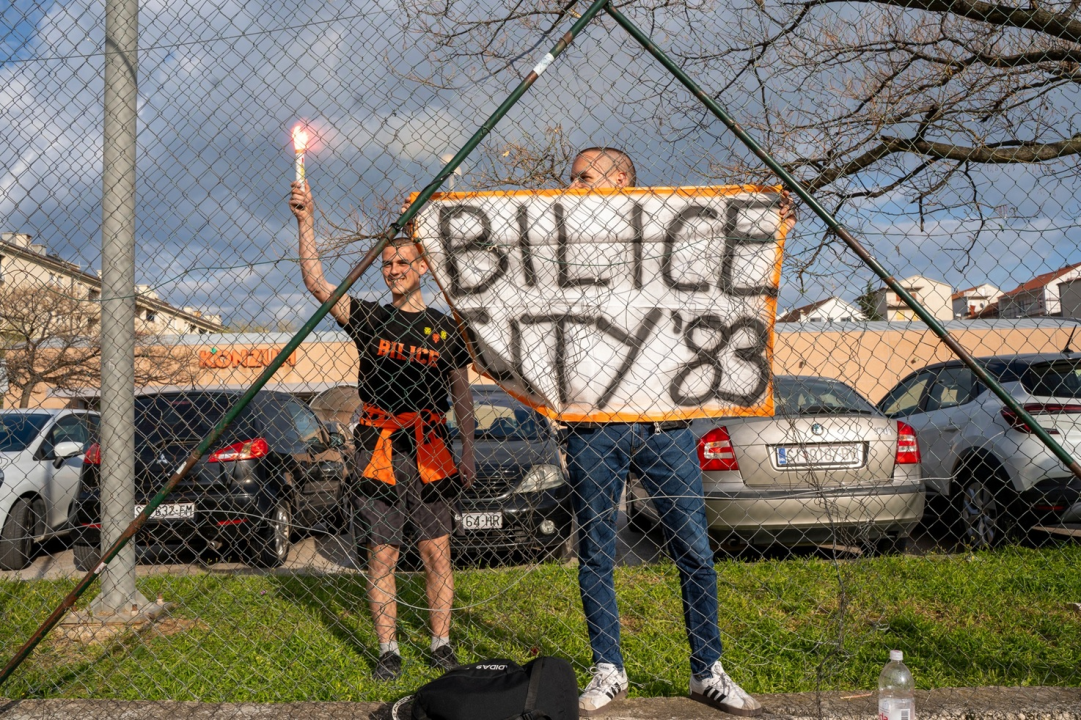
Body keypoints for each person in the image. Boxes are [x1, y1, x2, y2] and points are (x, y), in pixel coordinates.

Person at [563, 148, 789, 717]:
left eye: (584, 177)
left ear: (622, 180)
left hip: (667, 428)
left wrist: (767, 226)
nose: (573, 186)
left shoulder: (669, 235)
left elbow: (722, 261)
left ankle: (706, 670)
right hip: (595, 428)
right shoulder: (561, 238)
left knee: (695, 550)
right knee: (596, 552)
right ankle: (608, 668)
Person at [289, 179, 476, 681]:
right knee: (382, 553)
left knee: (437, 551)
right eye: (387, 264)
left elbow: (462, 394)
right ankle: (389, 649)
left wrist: (470, 450)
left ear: (423, 268)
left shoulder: (446, 327)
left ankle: (441, 643)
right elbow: (317, 284)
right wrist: (307, 221)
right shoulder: (369, 319)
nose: (393, 271)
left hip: (433, 450)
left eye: (403, 263)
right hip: (378, 450)